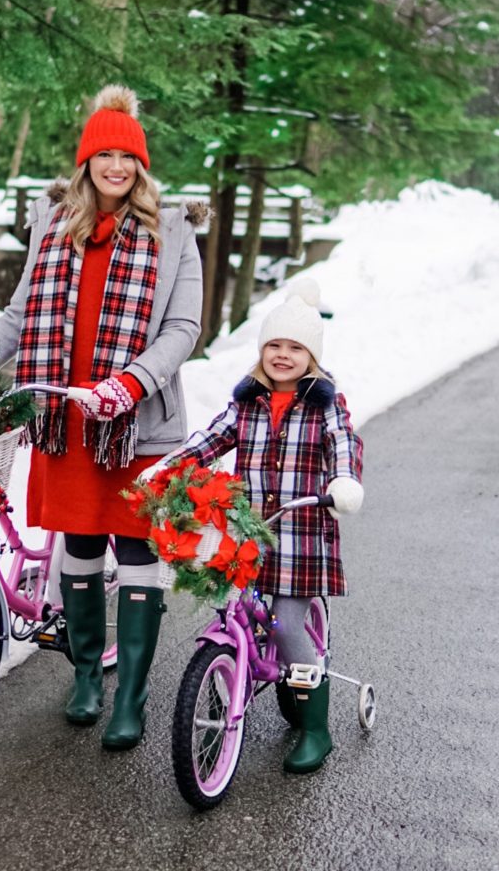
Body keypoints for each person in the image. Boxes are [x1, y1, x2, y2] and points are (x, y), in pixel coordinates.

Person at [0, 84, 204, 750]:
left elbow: (185, 329)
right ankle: (87, 677)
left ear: (141, 167)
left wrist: (129, 385)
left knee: (136, 549)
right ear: (87, 162)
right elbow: (17, 317)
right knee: (82, 547)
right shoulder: (55, 223)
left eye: (129, 158)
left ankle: (132, 696)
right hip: (66, 418)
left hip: (136, 424)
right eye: (105, 156)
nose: (117, 168)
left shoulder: (174, 230)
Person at [143, 278, 363, 773]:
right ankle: (224, 677)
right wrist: (169, 467)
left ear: (312, 356)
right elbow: (211, 438)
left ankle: (314, 729)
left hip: (301, 532)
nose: (282, 356)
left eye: (295, 348)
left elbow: (344, 443)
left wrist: (344, 480)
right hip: (251, 531)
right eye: (274, 346)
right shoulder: (247, 401)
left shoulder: (325, 403)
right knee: (227, 605)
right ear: (262, 351)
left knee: (287, 624)